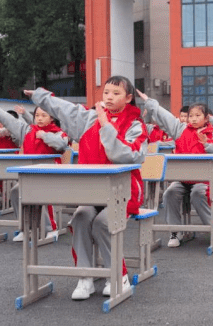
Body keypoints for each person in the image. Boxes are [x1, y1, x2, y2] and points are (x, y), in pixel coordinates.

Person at [26, 76, 148, 301]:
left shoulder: (135, 126)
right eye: (106, 93)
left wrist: (105, 124)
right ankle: (85, 276)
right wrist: (39, 96)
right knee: (81, 218)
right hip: (92, 190)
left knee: (103, 223)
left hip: (124, 191)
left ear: (128, 98)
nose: (109, 97)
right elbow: (65, 109)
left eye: (116, 93)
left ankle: (117, 276)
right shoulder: (89, 119)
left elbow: (124, 155)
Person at [138, 91, 213, 249]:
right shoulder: (180, 130)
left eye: (197, 115)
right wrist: (151, 103)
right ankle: (175, 231)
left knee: (197, 194)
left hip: (204, 179)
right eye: (191, 115)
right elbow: (165, 117)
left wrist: (207, 144)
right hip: (182, 178)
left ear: (206, 118)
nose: (193, 119)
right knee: (169, 193)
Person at [0, 96, 69, 242]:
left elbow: (61, 145)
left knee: (41, 192)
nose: (39, 119)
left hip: (50, 174)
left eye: (43, 116)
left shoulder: (58, 132)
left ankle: (50, 229)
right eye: (37, 115)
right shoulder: (27, 130)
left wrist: (44, 136)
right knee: (16, 191)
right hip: (30, 174)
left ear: (52, 118)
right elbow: (10, 121)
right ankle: (26, 228)